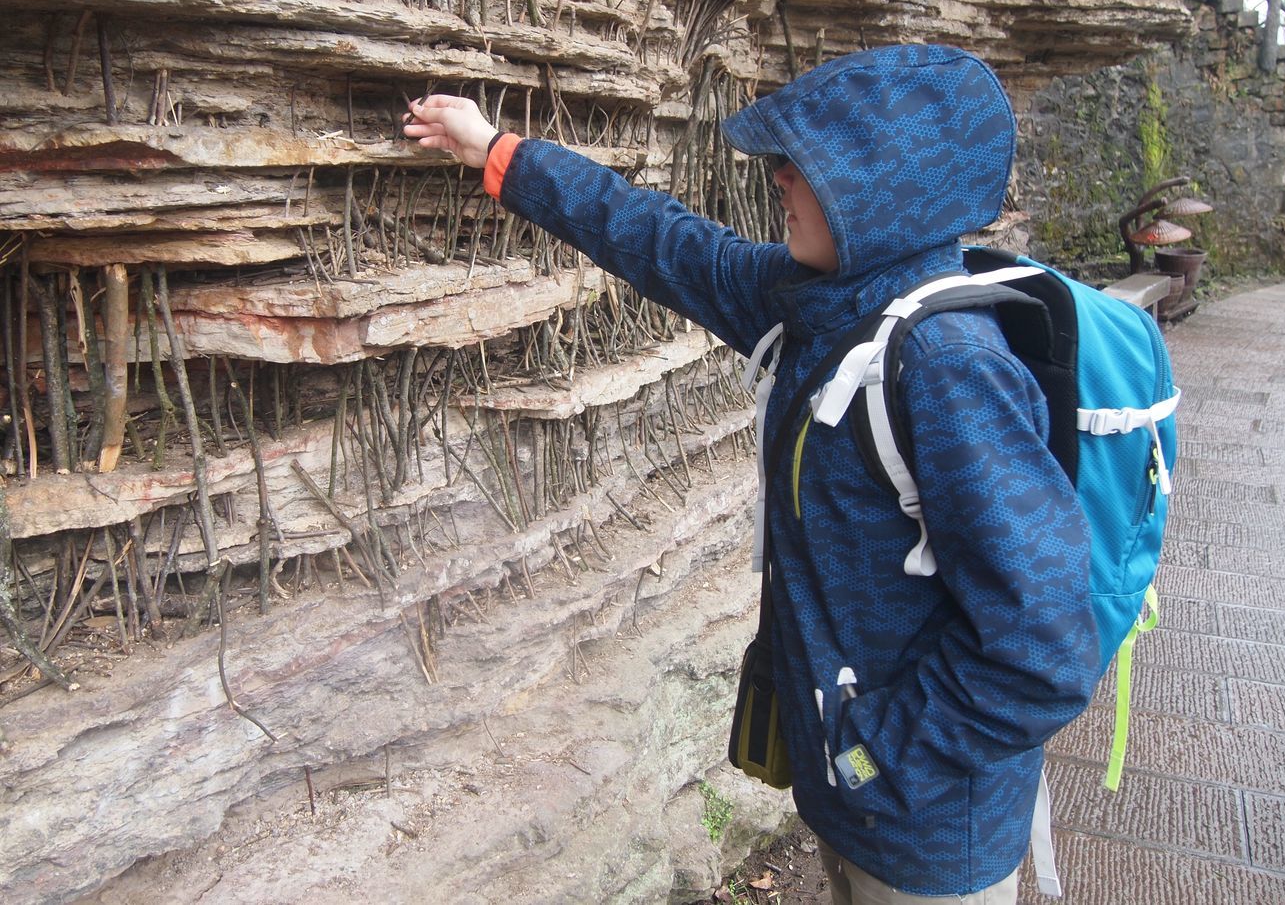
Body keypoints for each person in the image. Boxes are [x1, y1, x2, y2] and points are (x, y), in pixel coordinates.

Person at [403, 44, 1099, 905]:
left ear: (883, 186)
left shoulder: (950, 368)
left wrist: (867, 754)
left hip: (929, 832)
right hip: (857, 796)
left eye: (807, 163)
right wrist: (497, 152)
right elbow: (660, 239)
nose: (778, 177)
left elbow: (1046, 650)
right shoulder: (821, 304)